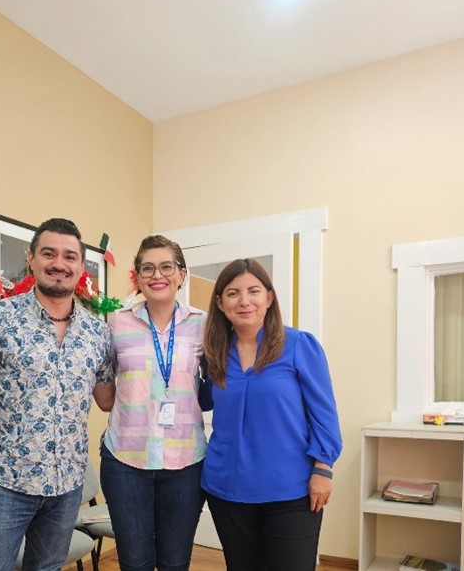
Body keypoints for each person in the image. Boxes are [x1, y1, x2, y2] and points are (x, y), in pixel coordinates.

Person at [0, 217, 115, 571]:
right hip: (5, 484)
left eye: (69, 256)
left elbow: (107, 399)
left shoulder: (98, 333)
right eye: (49, 253)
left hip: (67, 486)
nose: (59, 264)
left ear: (80, 267)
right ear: (31, 258)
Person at [200, 258, 342, 571]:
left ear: (269, 297)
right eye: (233, 293)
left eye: (254, 291)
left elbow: (324, 414)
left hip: (291, 490)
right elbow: (203, 401)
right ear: (220, 303)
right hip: (227, 488)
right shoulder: (214, 353)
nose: (244, 301)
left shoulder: (299, 345)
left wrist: (323, 468)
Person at [100, 234, 207, 571]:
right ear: (137, 276)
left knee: (175, 563)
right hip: (126, 460)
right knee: (135, 564)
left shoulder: (204, 324)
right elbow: (104, 389)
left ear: (181, 274)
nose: (157, 275)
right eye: (147, 268)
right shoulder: (116, 322)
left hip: (186, 461)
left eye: (166, 267)